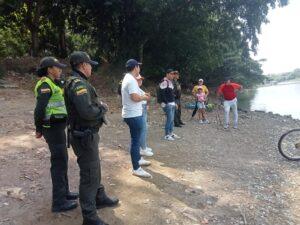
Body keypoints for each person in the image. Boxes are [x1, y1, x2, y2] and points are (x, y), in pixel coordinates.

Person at [64, 51, 119, 225]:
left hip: (86, 135)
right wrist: (102, 109)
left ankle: (99, 196)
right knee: (89, 175)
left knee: (94, 169)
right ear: (82, 65)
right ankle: (89, 216)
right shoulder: (78, 84)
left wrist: (99, 106)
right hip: (84, 136)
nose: (91, 69)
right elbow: (87, 112)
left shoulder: (77, 82)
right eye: (90, 65)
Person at [34, 57, 78, 213]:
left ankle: (65, 193)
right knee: (59, 164)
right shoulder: (45, 85)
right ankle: (58, 202)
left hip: (58, 128)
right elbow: (40, 109)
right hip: (51, 128)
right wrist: (38, 129)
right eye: (57, 67)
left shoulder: (54, 83)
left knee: (63, 160)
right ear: (49, 69)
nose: (60, 69)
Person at [121, 59, 152, 178]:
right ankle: (136, 168)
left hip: (132, 114)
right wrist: (144, 97)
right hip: (133, 115)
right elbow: (134, 97)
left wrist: (143, 96)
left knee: (137, 139)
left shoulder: (128, 78)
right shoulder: (131, 80)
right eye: (138, 66)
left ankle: (138, 160)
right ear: (135, 67)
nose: (139, 68)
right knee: (135, 141)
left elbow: (134, 95)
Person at [159, 69, 180, 141]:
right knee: (169, 119)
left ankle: (171, 133)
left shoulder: (170, 82)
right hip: (168, 104)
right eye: (171, 73)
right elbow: (162, 94)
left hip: (172, 103)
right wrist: (166, 103)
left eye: (173, 74)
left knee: (172, 119)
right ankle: (167, 135)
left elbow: (171, 94)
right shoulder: (164, 82)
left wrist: (174, 103)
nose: (172, 75)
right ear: (167, 74)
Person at [136, 74, 154, 157]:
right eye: (138, 79)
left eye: (141, 79)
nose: (140, 81)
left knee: (144, 128)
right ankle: (142, 149)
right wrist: (146, 97)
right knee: (142, 129)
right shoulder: (134, 89)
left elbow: (148, 98)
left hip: (143, 109)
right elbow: (142, 98)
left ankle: (144, 146)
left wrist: (147, 97)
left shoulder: (139, 89)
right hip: (140, 110)